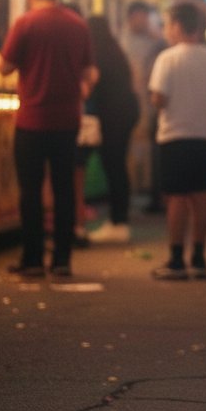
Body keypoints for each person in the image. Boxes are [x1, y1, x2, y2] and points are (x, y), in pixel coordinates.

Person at [0, 0, 96, 278]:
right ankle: (62, 260)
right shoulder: (78, 25)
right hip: (67, 120)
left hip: (31, 119)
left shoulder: (25, 23)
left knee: (31, 191)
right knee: (64, 189)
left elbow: (4, 67)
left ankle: (32, 259)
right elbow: (90, 72)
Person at [148, 1, 206, 280]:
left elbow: (159, 98)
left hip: (173, 136)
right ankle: (200, 257)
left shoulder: (167, 59)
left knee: (177, 198)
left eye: (168, 24)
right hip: (203, 136)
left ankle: (177, 259)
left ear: (178, 26)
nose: (167, 31)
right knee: (201, 196)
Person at [86, 16, 141, 243]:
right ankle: (119, 220)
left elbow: (92, 82)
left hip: (114, 116)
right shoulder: (113, 49)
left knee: (114, 165)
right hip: (125, 113)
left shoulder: (99, 53)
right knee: (117, 165)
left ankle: (118, 221)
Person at [120, 0, 167, 213]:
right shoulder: (122, 41)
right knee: (132, 150)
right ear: (131, 17)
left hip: (149, 104)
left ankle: (148, 191)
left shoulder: (154, 41)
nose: (144, 21)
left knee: (148, 151)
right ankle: (132, 190)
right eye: (141, 17)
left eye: (146, 17)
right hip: (130, 103)